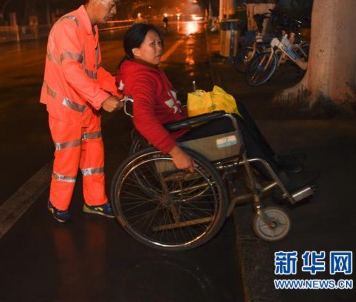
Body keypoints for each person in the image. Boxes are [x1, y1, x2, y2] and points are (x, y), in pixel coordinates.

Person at [116, 23, 314, 191]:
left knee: (234, 104)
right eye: (153, 44)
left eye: (159, 42)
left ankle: (274, 161)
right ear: (136, 51)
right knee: (231, 121)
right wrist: (176, 152)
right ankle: (276, 180)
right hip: (178, 138)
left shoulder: (144, 68)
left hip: (180, 124)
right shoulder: (141, 78)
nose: (159, 48)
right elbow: (142, 119)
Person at [40, 0, 132, 223]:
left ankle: (95, 202)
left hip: (88, 107)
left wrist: (119, 88)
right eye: (111, 4)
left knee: (94, 157)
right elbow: (71, 70)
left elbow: (95, 71)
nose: (114, 11)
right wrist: (102, 99)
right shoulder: (68, 26)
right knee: (67, 159)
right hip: (67, 108)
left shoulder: (90, 29)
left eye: (115, 5)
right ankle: (57, 204)